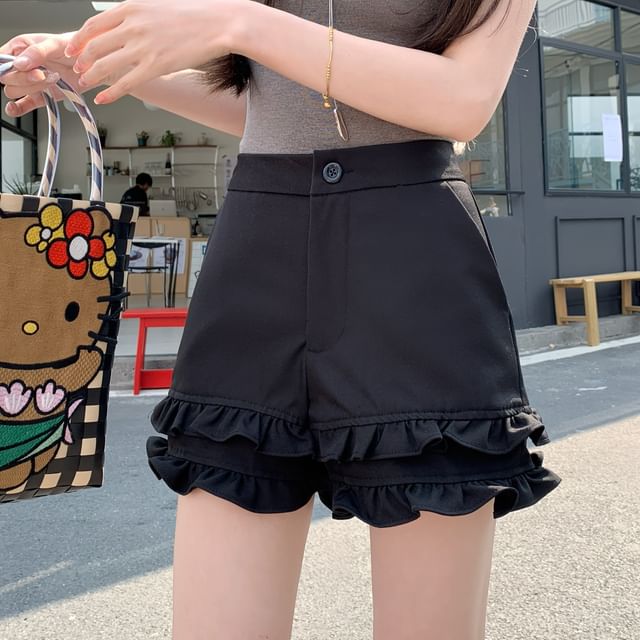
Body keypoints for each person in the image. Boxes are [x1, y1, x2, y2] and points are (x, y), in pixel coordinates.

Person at [1, 1, 561, 638]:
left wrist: (240, 23)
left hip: (409, 256)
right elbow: (272, 107)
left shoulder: (244, 18)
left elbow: (463, 99)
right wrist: (99, 65)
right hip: (259, 242)